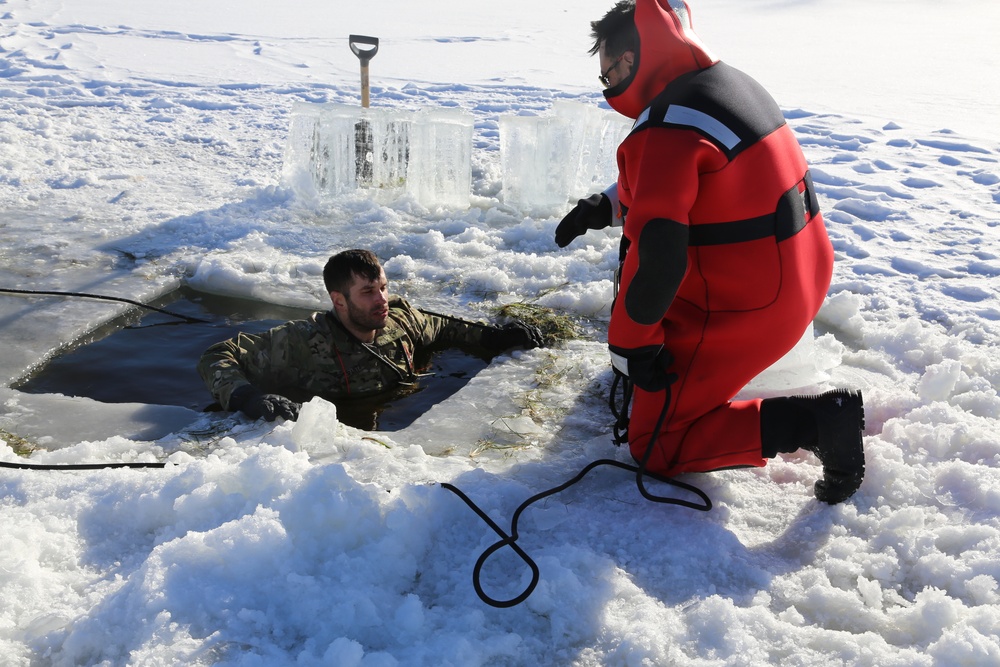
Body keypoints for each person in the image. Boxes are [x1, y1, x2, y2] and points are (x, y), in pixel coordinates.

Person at [554, 0, 864, 504]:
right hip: (800, 274)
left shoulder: (666, 127)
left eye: (608, 71)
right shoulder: (722, 84)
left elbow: (660, 257)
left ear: (631, 62)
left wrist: (630, 345)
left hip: (749, 306)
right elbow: (690, 182)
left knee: (656, 445)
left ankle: (816, 423)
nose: (607, 84)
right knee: (650, 378)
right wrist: (603, 206)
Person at [198, 249, 544, 424]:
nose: (381, 300)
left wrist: (494, 338)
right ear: (339, 301)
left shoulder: (400, 319)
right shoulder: (301, 342)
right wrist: (246, 397)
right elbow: (218, 355)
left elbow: (444, 328)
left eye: (383, 287)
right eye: (367, 292)